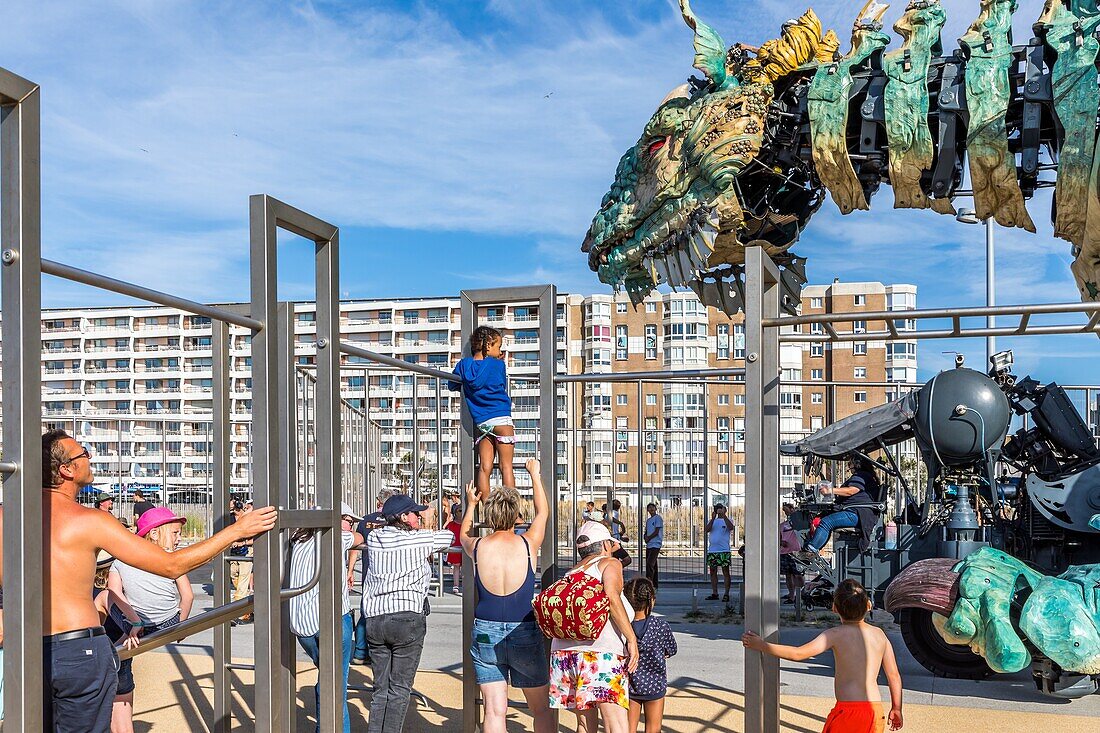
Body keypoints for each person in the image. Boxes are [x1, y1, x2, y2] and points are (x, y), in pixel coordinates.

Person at [0, 429, 277, 732]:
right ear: (66, 469)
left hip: (24, 651)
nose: (89, 457)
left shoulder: (6, 517)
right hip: (79, 652)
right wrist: (236, 531)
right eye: (83, 453)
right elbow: (171, 565)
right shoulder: (89, 520)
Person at [459, 459, 553, 733]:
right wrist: (535, 475)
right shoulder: (528, 542)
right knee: (541, 708)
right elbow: (543, 512)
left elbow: (464, 533)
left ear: (491, 516)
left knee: (495, 710)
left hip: (485, 629)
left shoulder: (478, 547)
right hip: (522, 627)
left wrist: (471, 504)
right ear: (516, 516)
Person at [742, 579, 903, 732]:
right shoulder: (879, 635)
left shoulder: (834, 635)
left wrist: (761, 645)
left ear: (834, 608)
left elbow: (798, 654)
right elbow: (893, 676)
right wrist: (896, 708)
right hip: (874, 711)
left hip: (847, 711)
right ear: (869, 605)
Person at [361, 494, 454, 733]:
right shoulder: (419, 539)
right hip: (406, 616)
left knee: (380, 690)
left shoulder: (375, 537)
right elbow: (448, 536)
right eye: (415, 513)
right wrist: (432, 519)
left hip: (374, 618)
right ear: (403, 517)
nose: (419, 516)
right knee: (400, 689)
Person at [549, 521, 639, 733]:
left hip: (564, 655)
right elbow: (611, 596)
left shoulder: (571, 573)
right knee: (615, 721)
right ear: (605, 545)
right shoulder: (609, 564)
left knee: (584, 724)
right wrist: (632, 639)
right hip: (600, 654)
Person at [288, 502, 364, 733]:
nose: (351, 526)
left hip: (301, 625)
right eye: (349, 521)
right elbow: (359, 538)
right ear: (336, 519)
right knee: (336, 685)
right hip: (332, 621)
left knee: (327, 677)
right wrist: (355, 531)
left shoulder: (297, 541)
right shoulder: (336, 537)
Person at [448, 325, 515, 499]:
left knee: (485, 468)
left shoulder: (464, 365)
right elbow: (500, 383)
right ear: (488, 346)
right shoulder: (497, 365)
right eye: (498, 347)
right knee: (506, 466)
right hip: (501, 420)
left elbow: (452, 384)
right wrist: (498, 361)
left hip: (483, 424)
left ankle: (487, 510)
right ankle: (512, 513)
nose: (500, 351)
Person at [350, 488, 399, 665]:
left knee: (366, 611)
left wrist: (350, 570)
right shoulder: (393, 520)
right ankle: (382, 652)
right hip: (390, 574)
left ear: (378, 501)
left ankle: (360, 652)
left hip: (368, 574)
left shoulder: (365, 520)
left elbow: (355, 548)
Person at [800, 457, 882, 561]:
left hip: (857, 514)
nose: (849, 469)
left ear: (857, 465)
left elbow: (851, 491)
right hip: (856, 512)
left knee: (826, 522)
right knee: (824, 520)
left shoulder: (861, 475)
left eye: (850, 466)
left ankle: (810, 551)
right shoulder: (866, 475)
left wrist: (830, 490)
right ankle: (813, 548)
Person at [623, 578, 677, 733]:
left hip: (629, 685)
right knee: (653, 728)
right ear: (651, 600)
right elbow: (672, 649)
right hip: (654, 684)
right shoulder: (660, 626)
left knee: (627, 728)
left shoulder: (623, 626)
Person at [227, 499, 255, 626]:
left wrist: (242, 543)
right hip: (234, 554)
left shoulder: (247, 517)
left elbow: (254, 538)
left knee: (242, 586)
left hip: (246, 552)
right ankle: (247, 609)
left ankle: (238, 613)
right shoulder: (230, 519)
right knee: (234, 578)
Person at [705, 504, 735, 602]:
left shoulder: (728, 520)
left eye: (720, 508)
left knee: (725, 572)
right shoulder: (712, 521)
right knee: (713, 572)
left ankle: (726, 593)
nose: (719, 510)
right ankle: (715, 593)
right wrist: (713, 518)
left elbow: (731, 527)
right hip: (713, 550)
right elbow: (707, 529)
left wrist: (724, 515)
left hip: (724, 550)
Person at [780, 503, 805, 604]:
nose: (786, 513)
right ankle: (791, 595)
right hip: (784, 552)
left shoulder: (798, 523)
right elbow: (779, 537)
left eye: (787, 510)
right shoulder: (782, 525)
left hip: (796, 551)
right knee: (788, 575)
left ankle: (801, 594)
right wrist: (781, 542)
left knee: (798, 575)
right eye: (784, 511)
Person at [643, 503, 663, 590]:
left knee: (649, 564)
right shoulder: (648, 520)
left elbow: (657, 531)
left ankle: (649, 583)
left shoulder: (658, 518)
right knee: (653, 565)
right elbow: (646, 531)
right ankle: (655, 585)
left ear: (655, 509)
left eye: (652, 507)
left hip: (655, 544)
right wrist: (645, 537)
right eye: (649, 508)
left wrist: (649, 537)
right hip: (649, 545)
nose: (651, 509)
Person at [444, 511, 463, 595]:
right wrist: (447, 521)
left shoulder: (466, 524)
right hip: (455, 547)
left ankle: (465, 585)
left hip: (464, 545)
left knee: (466, 568)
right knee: (456, 566)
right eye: (459, 510)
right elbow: (443, 530)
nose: (461, 512)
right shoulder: (451, 524)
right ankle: (456, 585)